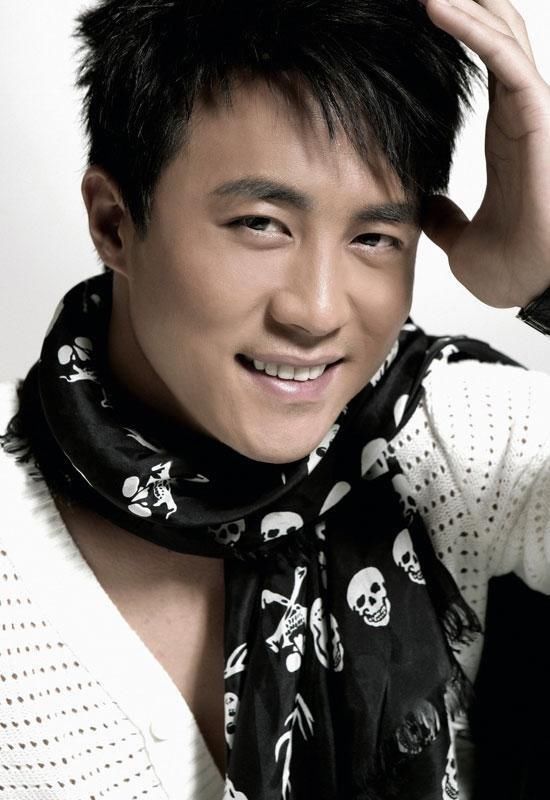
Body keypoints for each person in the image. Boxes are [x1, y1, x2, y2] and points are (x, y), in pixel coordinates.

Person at [1, 0, 549, 798]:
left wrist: (545, 282)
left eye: (374, 237)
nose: (317, 311)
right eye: (262, 224)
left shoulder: (438, 433)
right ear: (115, 223)